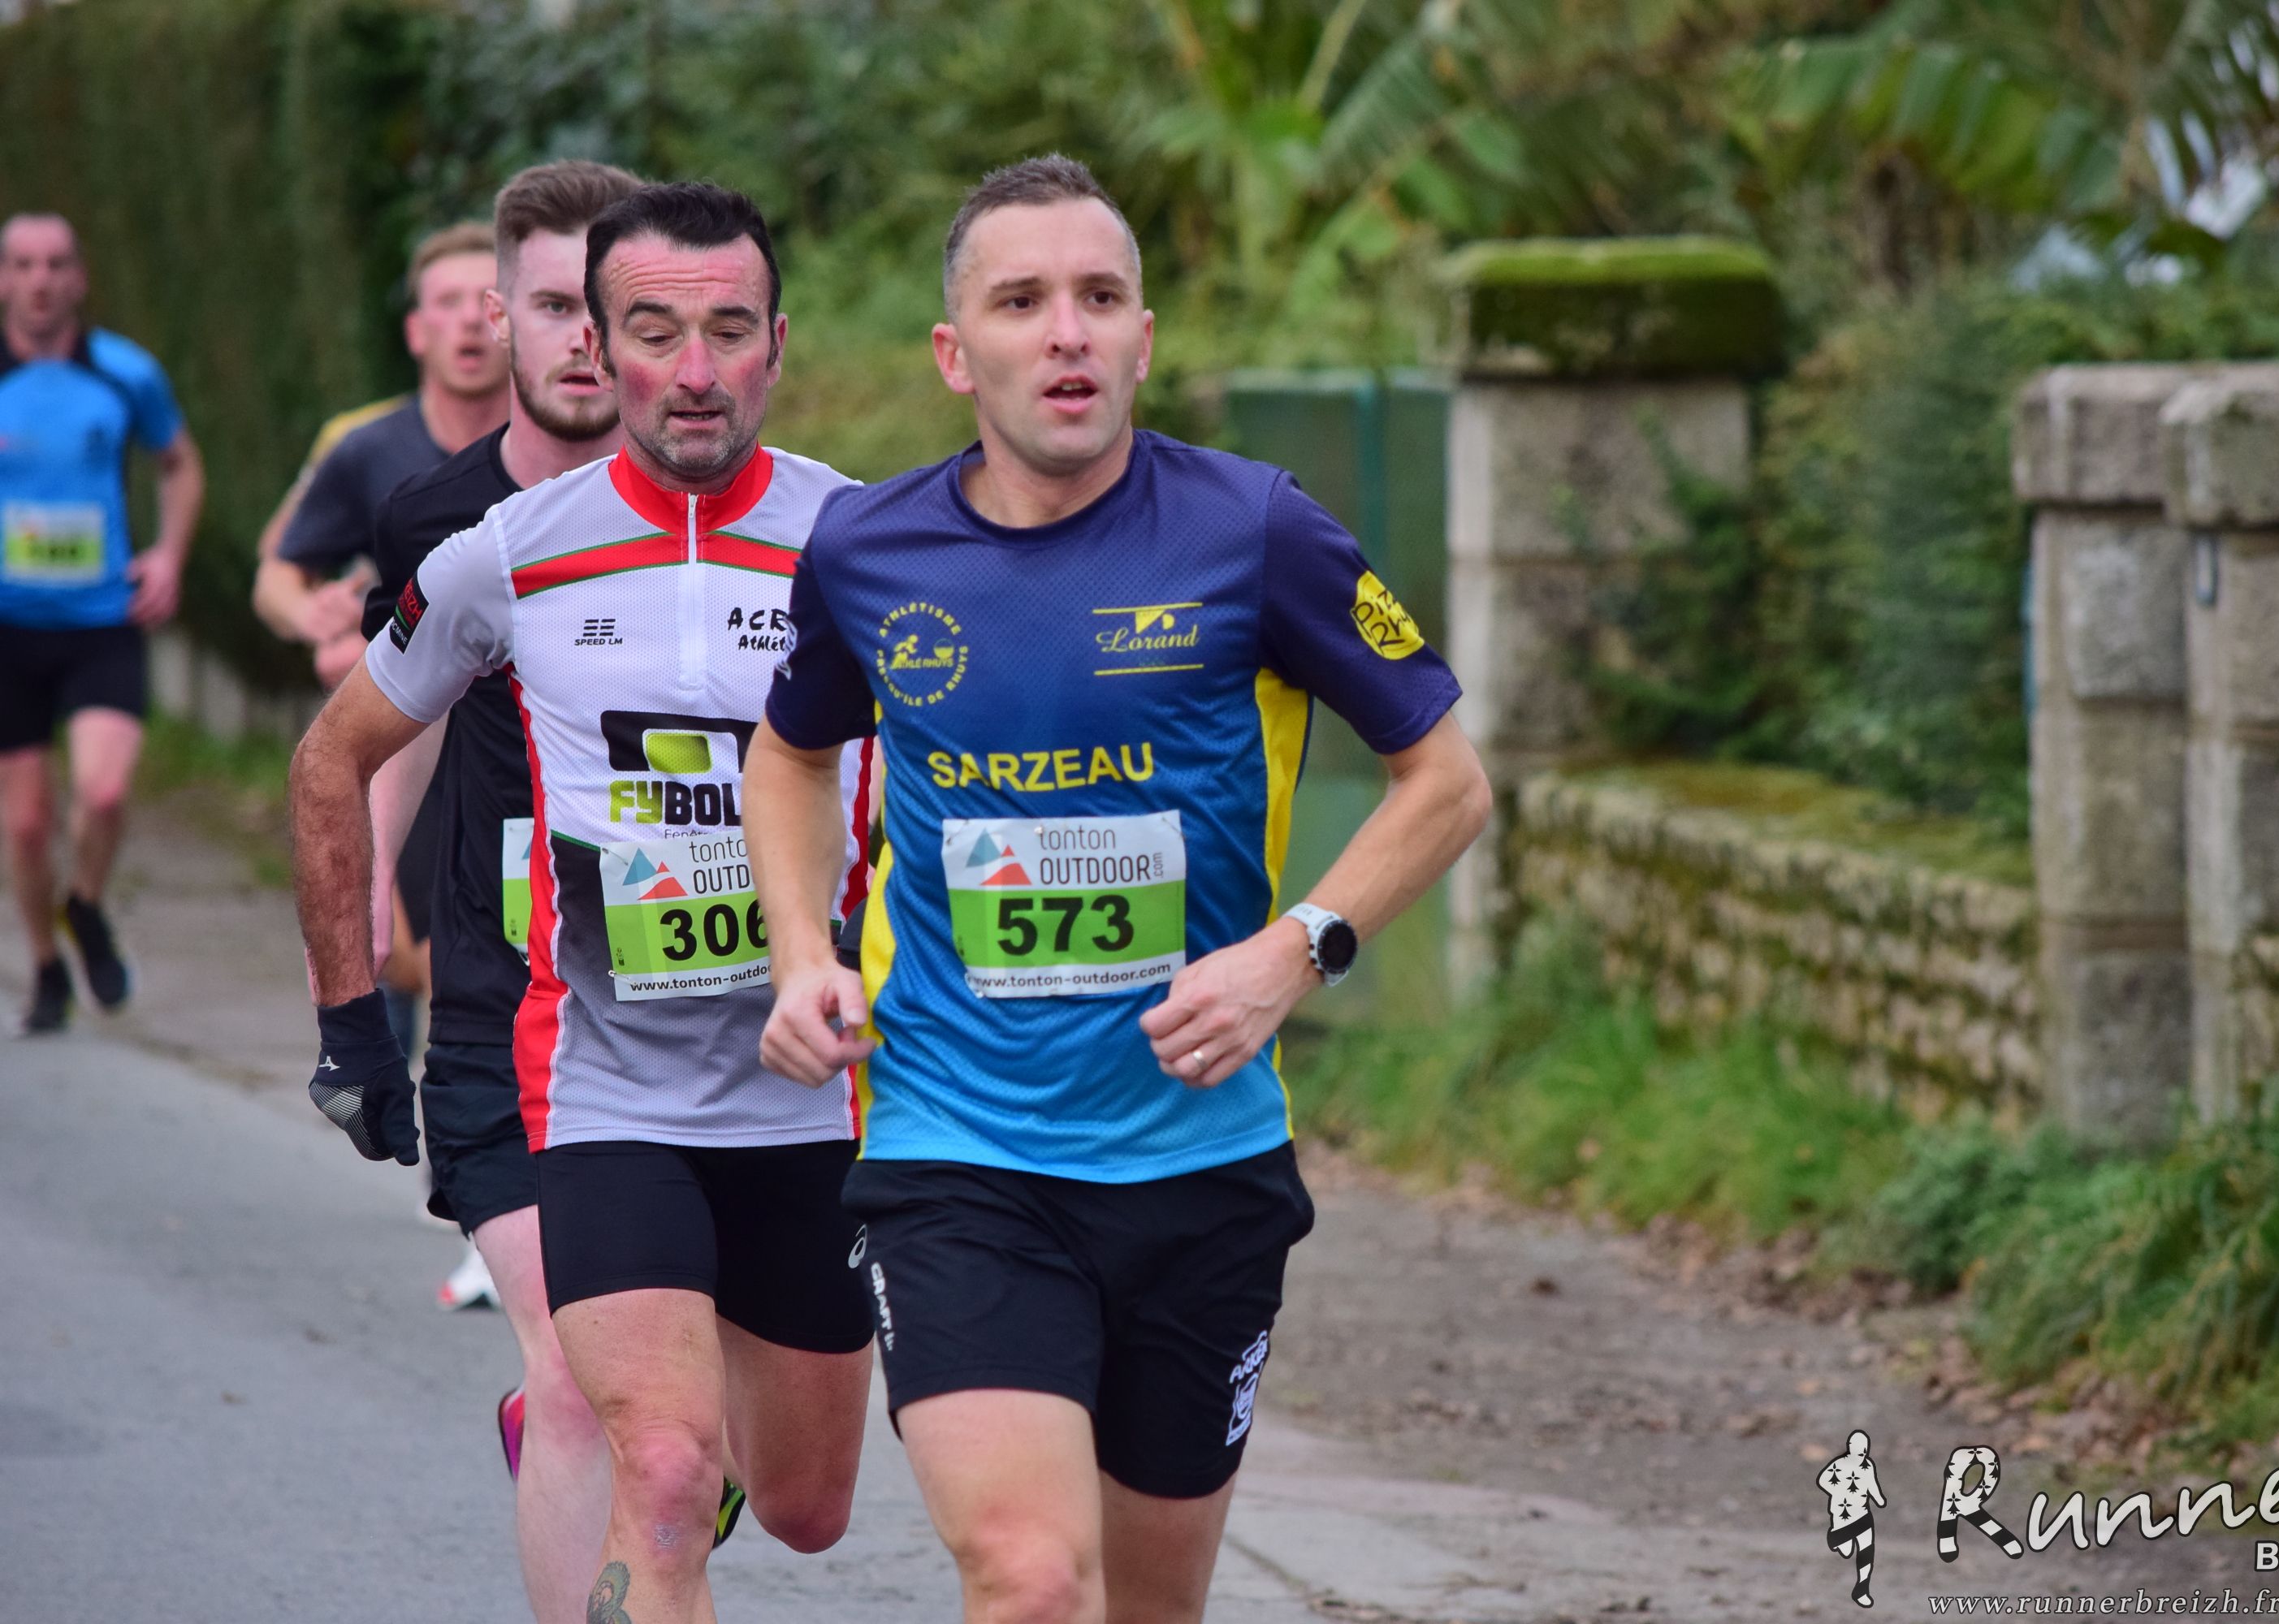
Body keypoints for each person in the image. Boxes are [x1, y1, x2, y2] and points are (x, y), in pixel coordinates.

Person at [744, 153, 1493, 1624]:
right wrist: (798, 955)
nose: (1066, 332)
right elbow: (790, 755)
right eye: (1021, 301)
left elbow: (1447, 781)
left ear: (1144, 339)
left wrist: (1295, 950)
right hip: (956, 1152)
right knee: (1030, 1580)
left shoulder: (1257, 530)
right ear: (956, 353)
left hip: (1201, 1166)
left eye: (1098, 298)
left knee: (1148, 1606)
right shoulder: (870, 550)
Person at [288, 181, 877, 1621]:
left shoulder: (868, 545)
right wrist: (352, 1018)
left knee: (803, 1507)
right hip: (603, 1090)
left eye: (729, 332)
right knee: (663, 1474)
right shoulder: (505, 553)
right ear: (601, 354)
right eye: (655, 334)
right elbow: (331, 759)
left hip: (815, 1096)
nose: (695, 371)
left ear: (778, 345)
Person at [353, 158, 642, 1622]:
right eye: (550, 307)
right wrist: (360, 935)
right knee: (585, 1375)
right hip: (500, 1000)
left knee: (721, 1442)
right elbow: (380, 734)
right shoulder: (435, 522)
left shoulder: (737, 513)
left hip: (694, 1007)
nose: (583, 338)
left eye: (609, 307)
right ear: (503, 324)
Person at [253, 221, 509, 1149]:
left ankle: (480, 1152)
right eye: (447, 303)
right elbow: (278, 575)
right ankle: (453, 1129)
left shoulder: (565, 446)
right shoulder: (367, 449)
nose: (470, 323)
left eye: (487, 302)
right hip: (405, 730)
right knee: (412, 953)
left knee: (484, 954)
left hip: (515, 738)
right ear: (416, 330)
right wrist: (320, 620)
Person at [0, 211, 205, 1034]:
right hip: (10, 629)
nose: (40, 280)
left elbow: (179, 463)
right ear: (4, 279)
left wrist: (169, 557)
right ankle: (46, 969)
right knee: (26, 822)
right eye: (23, 264)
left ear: (79, 279)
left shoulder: (126, 372)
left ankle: (83, 904)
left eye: (56, 264)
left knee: (105, 789)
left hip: (101, 620)